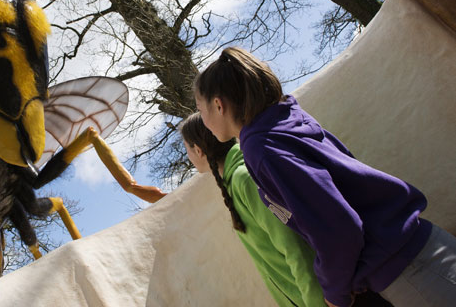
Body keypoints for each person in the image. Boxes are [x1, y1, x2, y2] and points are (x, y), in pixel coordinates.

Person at [193, 46, 456, 307]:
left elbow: (337, 229)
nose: (202, 120)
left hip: (409, 270)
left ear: (218, 105)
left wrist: (334, 294)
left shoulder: (261, 149)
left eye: (200, 109)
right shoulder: (283, 121)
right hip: (418, 251)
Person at [180, 112, 327, 306]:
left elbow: (296, 247)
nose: (189, 157)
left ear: (198, 150)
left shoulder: (245, 179)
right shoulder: (236, 182)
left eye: (187, 150)